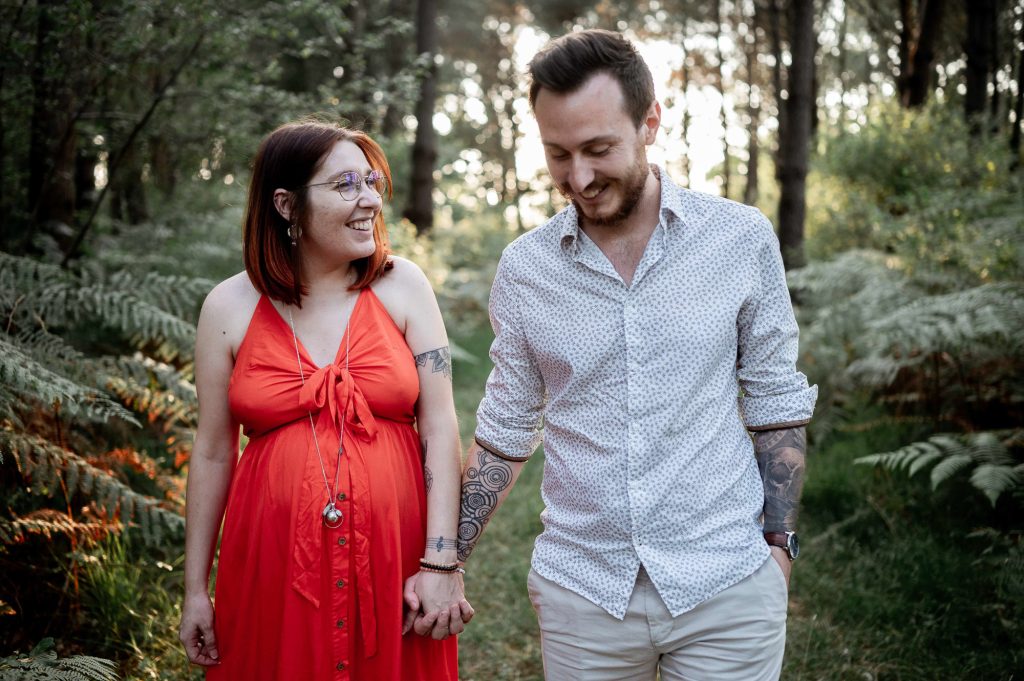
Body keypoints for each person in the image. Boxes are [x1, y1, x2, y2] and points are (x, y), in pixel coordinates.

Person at [448, 29, 817, 681]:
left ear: (650, 122)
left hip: (727, 582)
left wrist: (779, 547)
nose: (579, 178)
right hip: (582, 592)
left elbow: (775, 402)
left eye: (597, 149)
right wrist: (445, 558)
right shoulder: (526, 268)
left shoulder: (740, 239)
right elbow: (506, 430)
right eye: (558, 154)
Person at [178, 119, 472, 681]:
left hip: (394, 556)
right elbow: (215, 450)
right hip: (270, 562)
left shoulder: (402, 286)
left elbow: (439, 427)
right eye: (344, 185)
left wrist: (440, 560)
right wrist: (195, 590)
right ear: (286, 205)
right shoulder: (228, 306)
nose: (369, 201)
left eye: (370, 182)